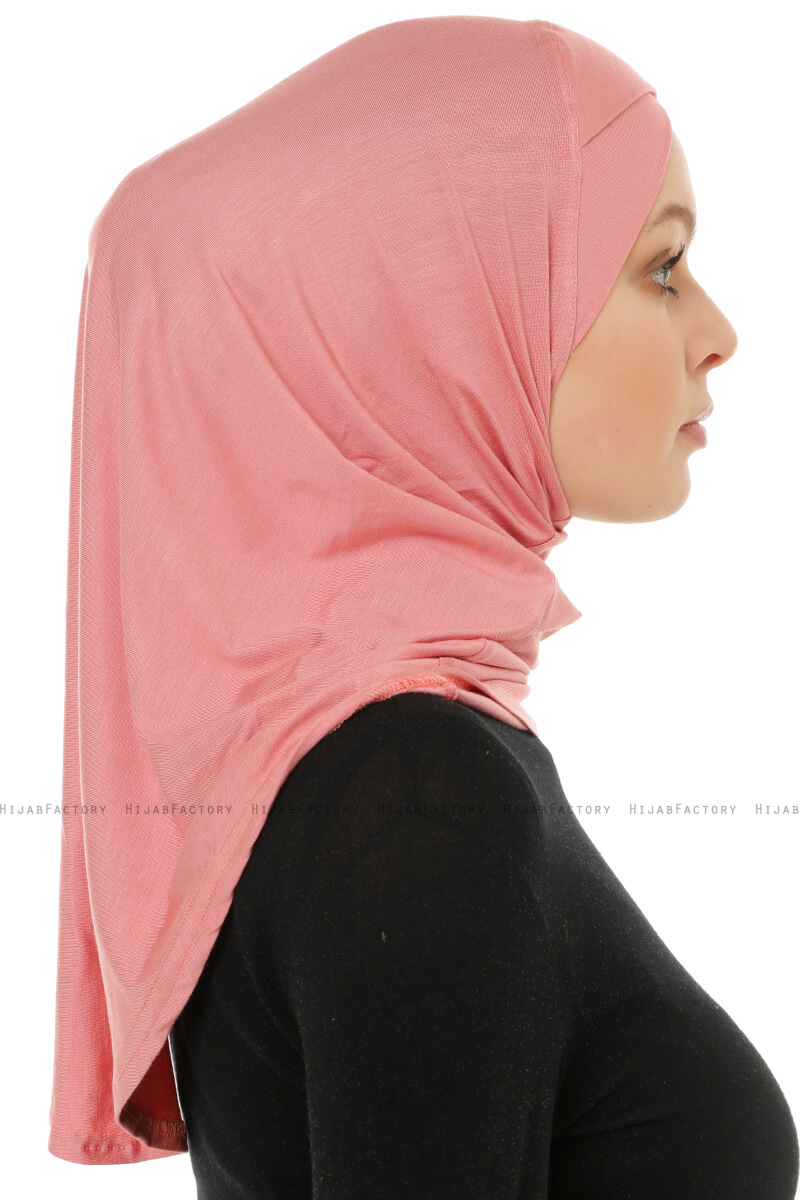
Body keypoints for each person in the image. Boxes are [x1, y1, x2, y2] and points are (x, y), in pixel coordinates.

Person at [47, 15, 798, 1198]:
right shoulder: (415, 802)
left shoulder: (336, 777)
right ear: (438, 311)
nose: (719, 334)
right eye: (660, 266)